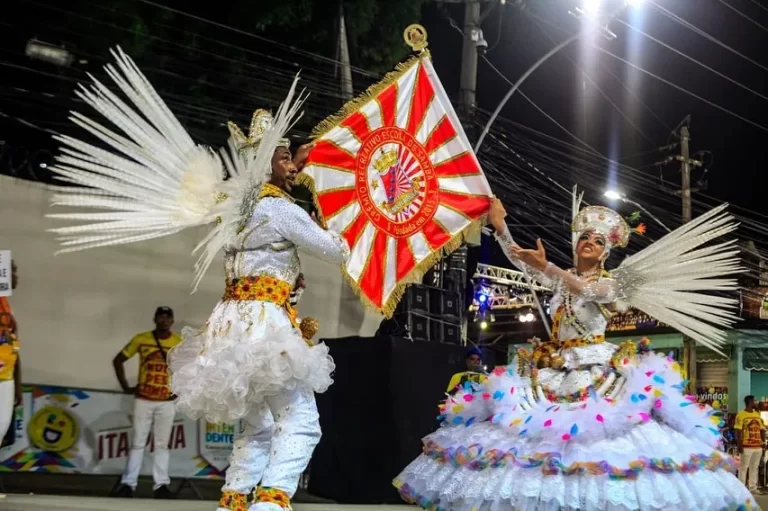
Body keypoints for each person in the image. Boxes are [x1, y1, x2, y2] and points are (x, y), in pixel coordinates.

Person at [45, 50, 350, 511]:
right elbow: (336, 251)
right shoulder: (280, 210)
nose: (294, 167)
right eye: (286, 158)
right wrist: (346, 221)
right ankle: (269, 504)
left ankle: (234, 501)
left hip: (230, 327)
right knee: (302, 421)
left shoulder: (233, 211)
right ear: (268, 164)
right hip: (265, 326)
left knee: (258, 426)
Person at [394, 196, 755, 510]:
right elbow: (521, 260)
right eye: (585, 237)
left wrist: (546, 267)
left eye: (598, 241)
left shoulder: (609, 284)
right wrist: (500, 226)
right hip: (551, 365)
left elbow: (585, 289)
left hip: (597, 370)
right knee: (531, 440)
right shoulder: (560, 276)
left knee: (595, 440)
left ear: (606, 252)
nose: (589, 242)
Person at [111, 306, 181, 499]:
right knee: (138, 443)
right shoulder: (142, 339)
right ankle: (128, 484)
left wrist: (180, 390)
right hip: (144, 399)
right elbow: (118, 360)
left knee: (162, 445)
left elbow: (191, 368)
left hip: (166, 401)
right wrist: (125, 386)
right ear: (155, 319)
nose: (164, 321)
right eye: (161, 317)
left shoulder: (179, 343)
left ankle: (161, 486)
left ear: (172, 321)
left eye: (168, 317)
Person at [0, 260, 21, 449]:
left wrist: (18, 384)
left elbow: (14, 346)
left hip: (6, 379)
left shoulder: (7, 308)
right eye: (12, 271)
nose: (16, 277)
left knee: (4, 434)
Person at [735, 395, 766, 493]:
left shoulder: (757, 414)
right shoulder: (741, 415)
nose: (756, 403)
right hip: (746, 446)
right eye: (754, 401)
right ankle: (741, 489)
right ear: (750, 402)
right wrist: (739, 444)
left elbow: (762, 430)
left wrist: (763, 442)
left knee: (755, 467)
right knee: (744, 467)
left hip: (757, 446)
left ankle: (753, 488)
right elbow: (738, 430)